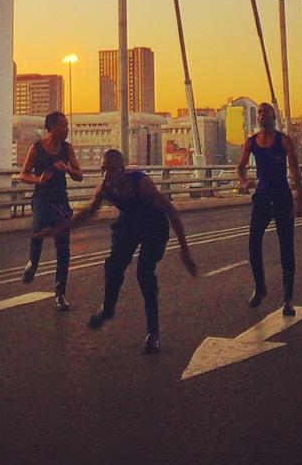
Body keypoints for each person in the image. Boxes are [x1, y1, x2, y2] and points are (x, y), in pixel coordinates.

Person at [36, 148, 197, 354]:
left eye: (110, 169)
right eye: (102, 170)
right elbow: (87, 212)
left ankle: (153, 333)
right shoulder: (105, 187)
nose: (106, 175)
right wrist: (57, 230)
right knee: (113, 266)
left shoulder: (141, 183)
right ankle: (108, 309)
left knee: (144, 273)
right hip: (129, 224)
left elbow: (171, 211)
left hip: (153, 225)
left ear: (122, 169)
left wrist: (185, 251)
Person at [236, 102, 302, 316]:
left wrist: (300, 199)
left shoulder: (283, 141)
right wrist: (243, 180)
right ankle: (260, 287)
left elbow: (294, 170)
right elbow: (240, 167)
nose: (262, 115)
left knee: (286, 247)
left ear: (273, 116)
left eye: (266, 112)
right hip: (262, 199)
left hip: (283, 198)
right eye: (259, 112)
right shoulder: (251, 142)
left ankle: (288, 298)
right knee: (253, 243)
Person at [18, 111, 83, 310]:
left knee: (63, 249)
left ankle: (60, 294)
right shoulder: (36, 149)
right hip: (41, 199)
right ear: (52, 128)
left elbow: (79, 175)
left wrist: (67, 169)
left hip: (61, 201)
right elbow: (23, 174)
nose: (67, 129)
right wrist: (38, 180)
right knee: (38, 227)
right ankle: (33, 263)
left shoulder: (67, 149)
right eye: (63, 126)